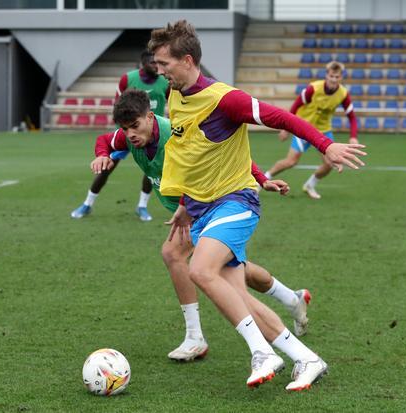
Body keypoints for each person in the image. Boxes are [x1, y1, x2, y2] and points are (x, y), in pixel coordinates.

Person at [148, 20, 366, 390]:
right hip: (202, 209)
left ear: (187, 60)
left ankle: (261, 353)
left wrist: (325, 145)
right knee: (239, 299)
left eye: (164, 64)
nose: (159, 71)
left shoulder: (225, 98)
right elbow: (189, 156)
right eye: (157, 64)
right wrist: (185, 203)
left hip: (235, 202)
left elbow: (282, 116)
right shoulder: (176, 96)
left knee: (200, 270)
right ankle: (307, 358)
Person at [91, 90, 312, 365]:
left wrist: (260, 178)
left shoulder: (174, 133)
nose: (130, 134)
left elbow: (226, 153)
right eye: (125, 129)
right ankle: (292, 299)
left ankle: (197, 337)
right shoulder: (128, 136)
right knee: (232, 269)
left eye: (135, 126)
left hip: (209, 203)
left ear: (150, 117)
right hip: (189, 210)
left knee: (174, 254)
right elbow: (105, 140)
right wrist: (102, 155)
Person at [71, 50, 170, 221]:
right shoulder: (128, 79)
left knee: (151, 173)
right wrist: (123, 133)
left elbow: (173, 103)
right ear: (143, 63)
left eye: (158, 63)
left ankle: (142, 207)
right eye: (152, 63)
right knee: (106, 168)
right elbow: (119, 106)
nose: (155, 66)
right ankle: (87, 204)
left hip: (155, 136)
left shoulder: (164, 82)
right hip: (127, 134)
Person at [265, 61, 359, 200]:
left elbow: (351, 116)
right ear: (326, 75)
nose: (334, 79)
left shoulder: (343, 94)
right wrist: (286, 128)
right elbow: (296, 106)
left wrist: (353, 136)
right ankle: (264, 180)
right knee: (291, 162)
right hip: (303, 128)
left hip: (323, 131)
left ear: (341, 77)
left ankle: (310, 185)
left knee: (330, 162)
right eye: (331, 76)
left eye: (337, 77)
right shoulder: (313, 89)